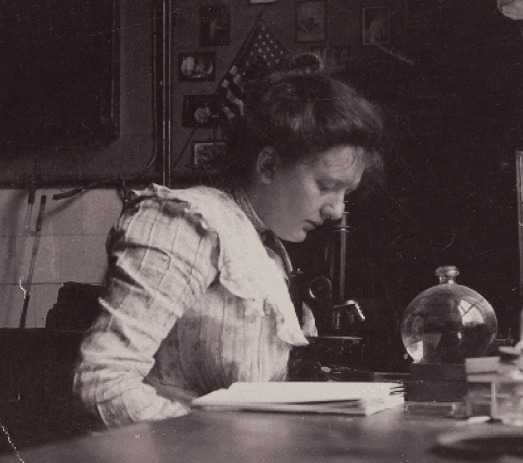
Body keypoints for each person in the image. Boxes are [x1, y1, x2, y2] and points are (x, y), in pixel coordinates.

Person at [73, 67, 384, 427]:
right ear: (268, 165)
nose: (337, 210)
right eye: (326, 185)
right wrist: (225, 444)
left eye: (346, 193)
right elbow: (102, 384)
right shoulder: (185, 221)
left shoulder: (265, 247)